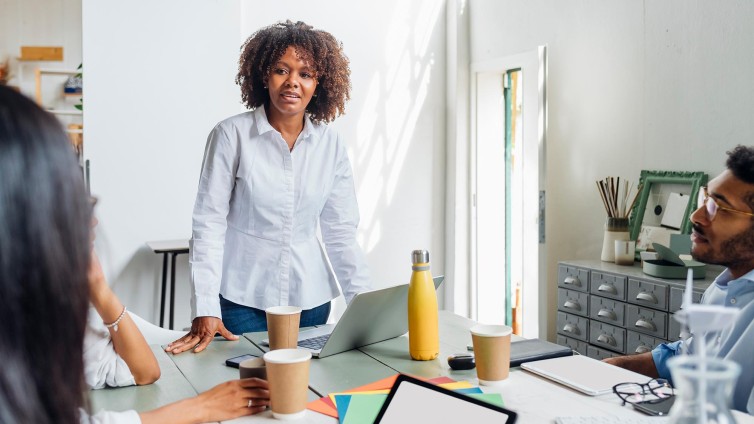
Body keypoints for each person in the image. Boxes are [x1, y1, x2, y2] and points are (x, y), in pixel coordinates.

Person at [0, 85, 270, 423]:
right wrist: (200, 408)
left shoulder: (40, 302)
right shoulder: (231, 133)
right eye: (63, 196)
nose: (88, 218)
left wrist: (98, 287)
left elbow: (140, 371)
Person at [167, 20, 371, 355]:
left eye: (306, 74)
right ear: (264, 75)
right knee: (246, 393)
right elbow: (208, 224)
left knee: (305, 394)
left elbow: (340, 232)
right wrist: (205, 305)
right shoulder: (231, 135)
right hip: (240, 301)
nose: (293, 82)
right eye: (281, 70)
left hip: (311, 302)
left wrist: (364, 309)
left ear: (318, 84)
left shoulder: (331, 145)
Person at [605, 145, 754, 413]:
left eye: (718, 208)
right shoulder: (723, 287)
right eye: (705, 199)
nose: (696, 217)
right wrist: (616, 367)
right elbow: (691, 353)